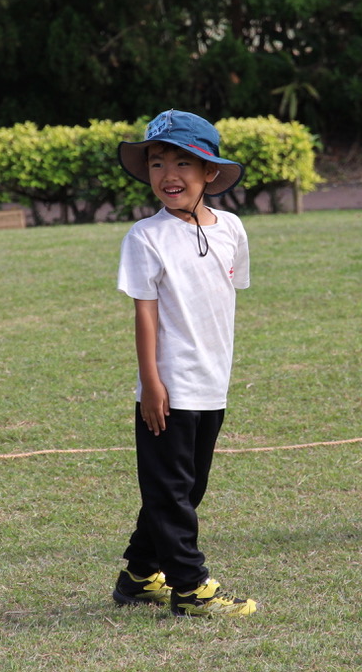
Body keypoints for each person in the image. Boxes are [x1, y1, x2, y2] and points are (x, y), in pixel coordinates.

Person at [110, 110, 258, 616]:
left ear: (209, 171)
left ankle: (137, 575)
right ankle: (191, 587)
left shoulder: (232, 229)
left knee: (187, 486)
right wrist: (152, 383)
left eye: (182, 162)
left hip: (211, 382)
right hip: (167, 389)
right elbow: (145, 317)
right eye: (156, 163)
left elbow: (225, 297)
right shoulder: (145, 237)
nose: (168, 174)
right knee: (171, 492)